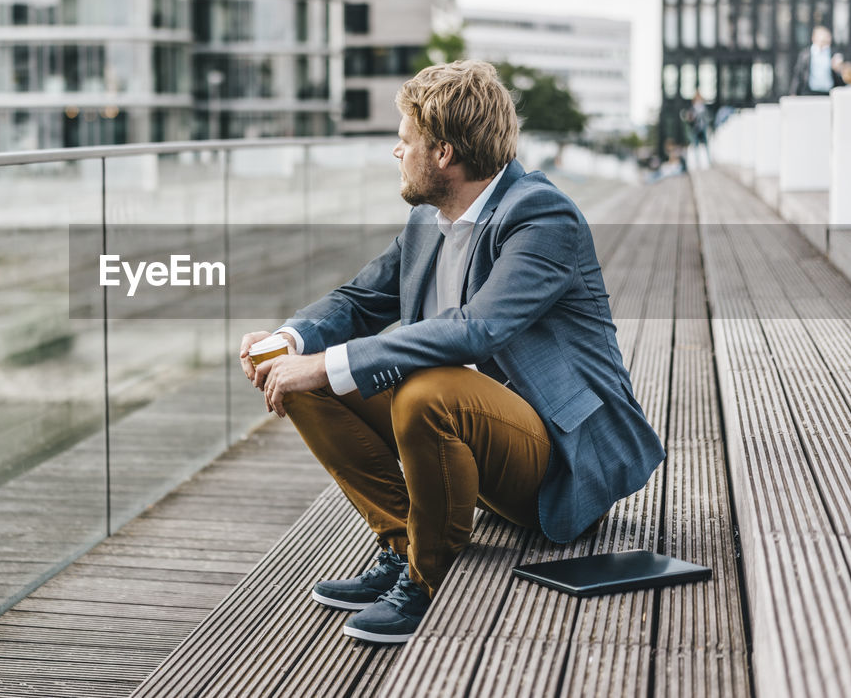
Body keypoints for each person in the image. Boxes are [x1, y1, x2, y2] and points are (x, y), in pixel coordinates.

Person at [238, 61, 664, 644]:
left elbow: (477, 329)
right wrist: (286, 342)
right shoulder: (427, 221)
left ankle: (429, 579)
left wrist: (331, 363)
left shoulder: (540, 216)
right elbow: (359, 299)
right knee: (290, 373)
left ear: (442, 152)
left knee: (423, 388)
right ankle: (404, 544)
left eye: (405, 140)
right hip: (474, 437)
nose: (396, 152)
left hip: (562, 458)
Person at [789, 25, 845, 96]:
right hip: (809, 92)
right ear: (814, 38)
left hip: (828, 92)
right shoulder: (805, 55)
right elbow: (798, 75)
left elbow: (842, 78)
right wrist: (793, 92)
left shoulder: (833, 54)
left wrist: (838, 69)